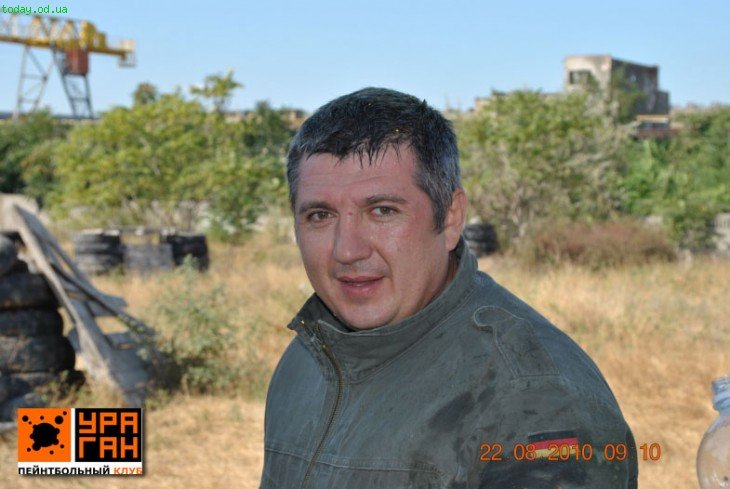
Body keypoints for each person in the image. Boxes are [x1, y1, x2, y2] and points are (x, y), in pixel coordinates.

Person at [260, 87, 638, 488]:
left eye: (382, 211)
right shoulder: (310, 355)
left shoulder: (535, 404)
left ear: (451, 218)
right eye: (320, 216)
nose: (347, 250)